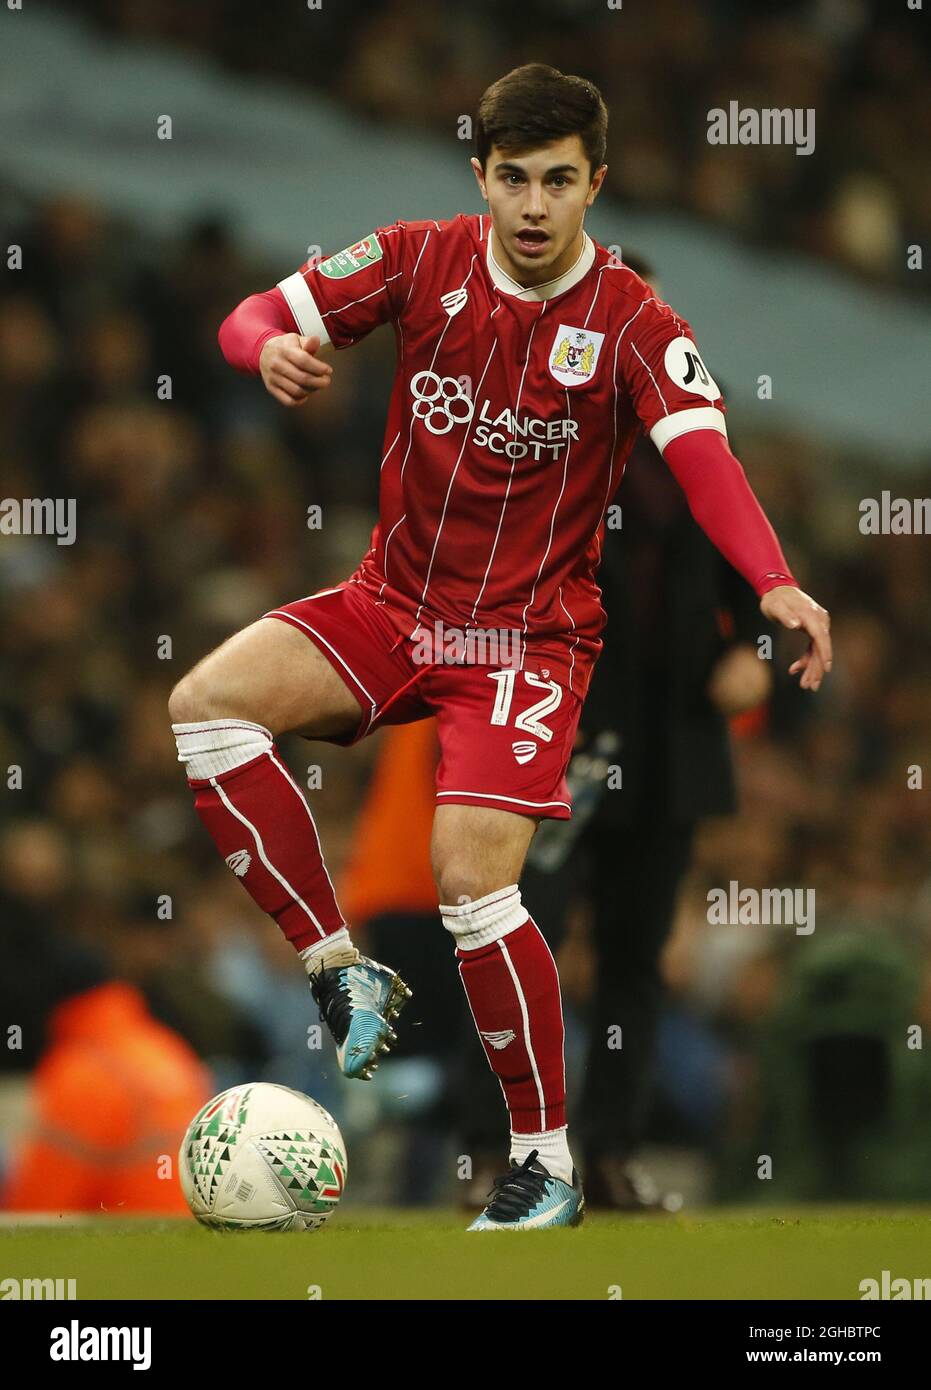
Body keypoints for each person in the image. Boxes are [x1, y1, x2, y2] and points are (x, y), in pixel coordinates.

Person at [168, 63, 831, 1230]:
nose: (532, 205)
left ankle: (545, 1163)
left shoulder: (632, 318)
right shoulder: (415, 259)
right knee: (206, 707)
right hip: (391, 605)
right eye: (513, 178)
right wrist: (261, 350)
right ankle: (337, 970)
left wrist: (774, 584)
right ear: (481, 175)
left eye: (558, 182)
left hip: (526, 640)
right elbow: (254, 313)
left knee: (472, 881)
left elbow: (706, 458)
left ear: (596, 186)